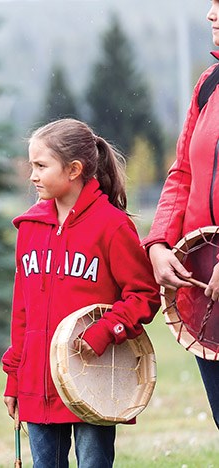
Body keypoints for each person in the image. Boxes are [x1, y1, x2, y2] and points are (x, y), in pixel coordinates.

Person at [2, 118, 160, 468]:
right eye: (32, 166)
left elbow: (145, 294)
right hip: (38, 384)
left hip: (93, 380)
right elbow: (22, 311)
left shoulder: (112, 226)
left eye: (41, 166)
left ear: (74, 169)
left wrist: (106, 330)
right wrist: (15, 378)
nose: (32, 176)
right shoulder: (29, 227)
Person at [142, 0, 219, 430]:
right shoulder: (208, 84)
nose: (211, 15)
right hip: (205, 293)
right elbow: (182, 173)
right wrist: (158, 244)